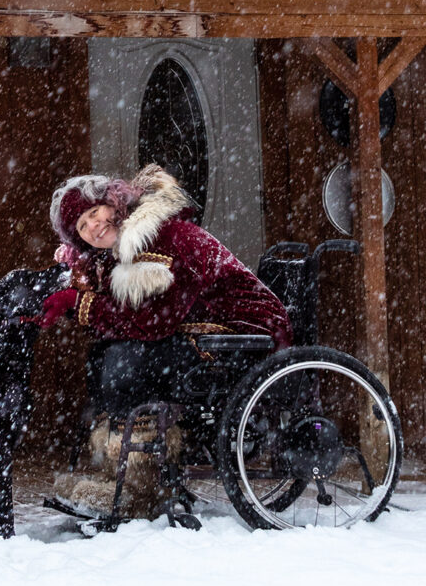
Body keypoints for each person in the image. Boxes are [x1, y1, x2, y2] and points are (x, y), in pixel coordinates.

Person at [34, 164, 293, 416]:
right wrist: (74, 303)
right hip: (203, 336)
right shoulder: (120, 254)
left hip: (247, 342)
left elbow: (152, 320)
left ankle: (144, 436)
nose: (92, 226)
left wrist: (79, 303)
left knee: (124, 364)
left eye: (93, 212)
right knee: (101, 356)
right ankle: (131, 434)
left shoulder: (159, 238)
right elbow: (125, 321)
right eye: (82, 226)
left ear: (113, 203)